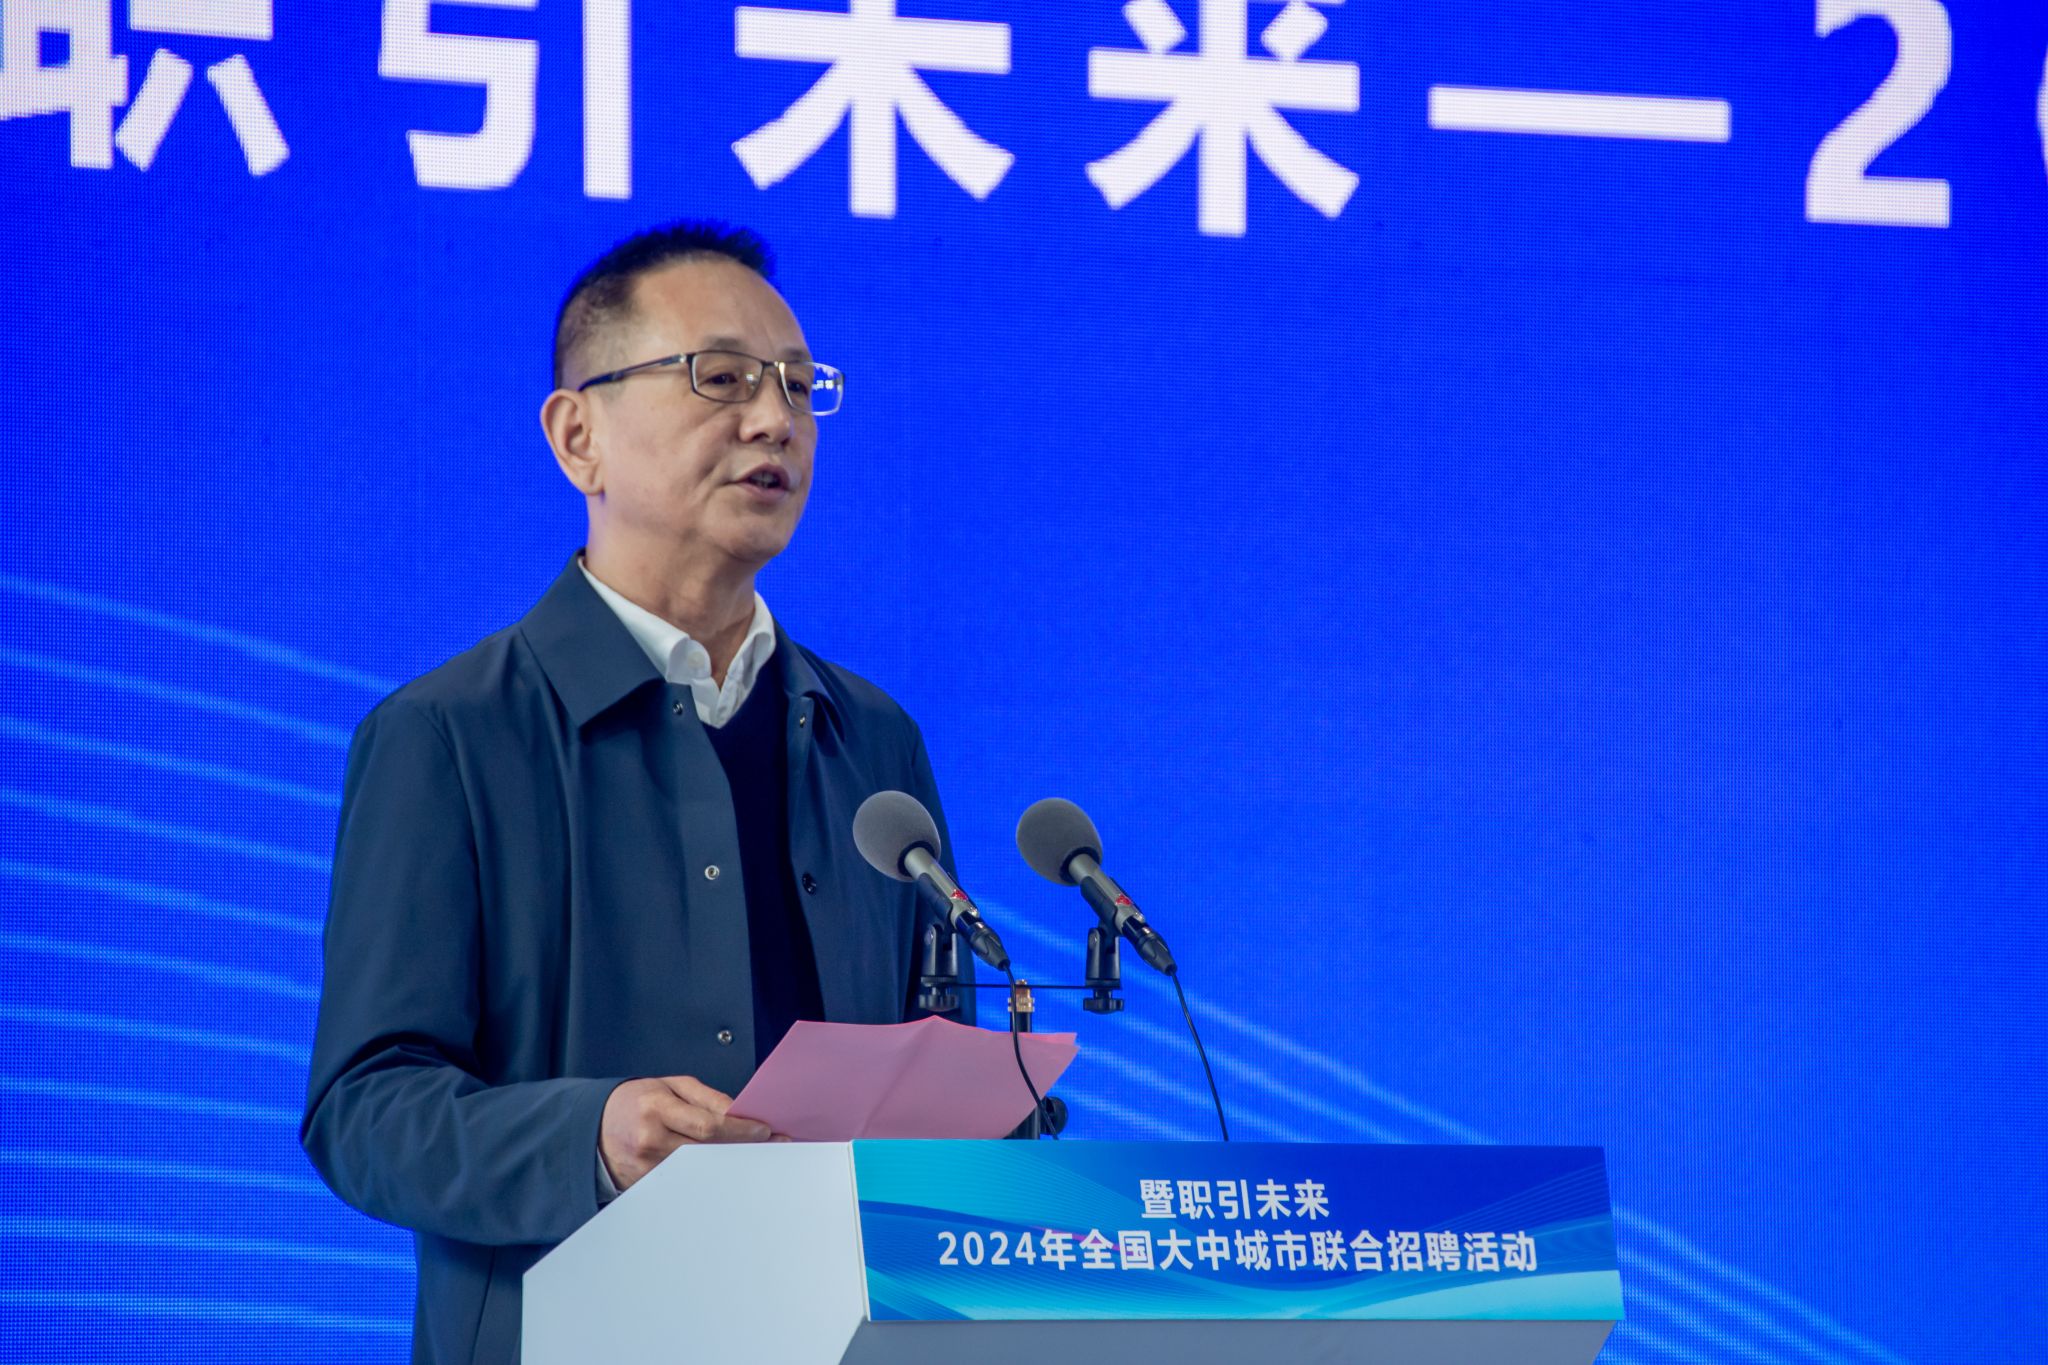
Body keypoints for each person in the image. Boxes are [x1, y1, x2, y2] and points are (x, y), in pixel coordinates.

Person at [301, 221, 969, 1365]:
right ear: (579, 437)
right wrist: (590, 1138)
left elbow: (933, 1058)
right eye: (721, 378)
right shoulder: (448, 737)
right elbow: (362, 1113)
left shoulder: (873, 740)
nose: (773, 420)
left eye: (798, 387)